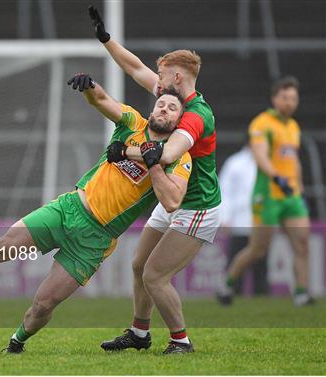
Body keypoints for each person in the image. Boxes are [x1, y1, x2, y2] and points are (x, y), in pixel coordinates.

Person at [0, 75, 193, 354]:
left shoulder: (178, 158)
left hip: (94, 240)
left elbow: (172, 200)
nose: (164, 109)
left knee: (43, 304)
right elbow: (103, 100)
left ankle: (16, 342)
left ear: (179, 120)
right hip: (68, 209)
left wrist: (154, 162)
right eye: (160, 104)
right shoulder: (132, 124)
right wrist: (89, 86)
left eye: (172, 108)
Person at [88, 6, 221, 354]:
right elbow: (135, 69)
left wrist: (123, 151)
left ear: (176, 78)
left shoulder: (194, 116)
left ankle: (181, 341)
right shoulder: (174, 98)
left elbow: (162, 156)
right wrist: (107, 41)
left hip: (195, 207)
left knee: (155, 275)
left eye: (161, 76)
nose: (155, 82)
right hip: (170, 197)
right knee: (138, 266)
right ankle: (139, 334)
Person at [217, 76, 313, 307]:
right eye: (285, 98)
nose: (289, 102)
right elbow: (260, 156)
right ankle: (228, 284)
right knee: (258, 249)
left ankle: (301, 293)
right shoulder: (262, 123)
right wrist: (276, 177)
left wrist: (298, 186)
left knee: (302, 243)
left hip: (290, 195)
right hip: (268, 194)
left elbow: (293, 160)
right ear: (274, 99)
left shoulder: (293, 127)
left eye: (293, 98)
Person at [219, 145, 268, 295]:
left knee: (261, 262)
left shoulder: (268, 162)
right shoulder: (235, 163)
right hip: (239, 220)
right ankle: (232, 292)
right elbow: (224, 191)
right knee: (237, 257)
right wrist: (225, 217)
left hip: (262, 220)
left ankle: (262, 295)